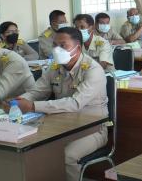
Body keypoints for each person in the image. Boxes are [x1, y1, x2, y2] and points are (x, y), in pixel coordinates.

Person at [12, 27, 108, 181]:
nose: (57, 50)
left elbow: (75, 104)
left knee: (67, 155)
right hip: (60, 126)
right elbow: (37, 91)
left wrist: (33, 106)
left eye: (63, 45)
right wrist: (18, 102)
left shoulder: (93, 69)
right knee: (31, 147)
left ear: (78, 46)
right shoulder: (55, 67)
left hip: (93, 129)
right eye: (55, 45)